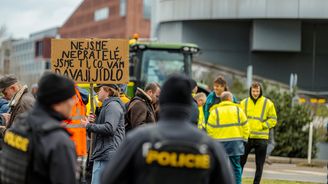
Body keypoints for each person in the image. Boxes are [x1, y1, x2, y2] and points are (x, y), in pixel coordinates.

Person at [101, 74, 235, 184]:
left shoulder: (138, 140)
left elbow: (109, 178)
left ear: (162, 102)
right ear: (190, 105)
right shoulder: (209, 146)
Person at [0, 72, 77, 184]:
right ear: (58, 102)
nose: (74, 102)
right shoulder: (58, 141)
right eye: (71, 98)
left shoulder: (21, 124)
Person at [81, 84, 125, 184]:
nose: (97, 92)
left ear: (107, 91)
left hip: (106, 154)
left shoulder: (113, 106)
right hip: (105, 153)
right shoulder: (109, 105)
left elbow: (109, 128)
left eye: (99, 89)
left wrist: (88, 125)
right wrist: (94, 122)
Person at [206, 91, 249, 184]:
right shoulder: (238, 110)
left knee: (220, 167)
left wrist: (213, 142)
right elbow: (246, 127)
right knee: (236, 167)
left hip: (220, 144)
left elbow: (209, 129)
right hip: (236, 144)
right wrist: (244, 140)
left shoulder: (215, 111)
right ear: (230, 99)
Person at [240, 82, 277, 184]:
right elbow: (239, 118)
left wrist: (262, 125)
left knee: (259, 165)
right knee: (241, 162)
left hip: (261, 138)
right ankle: (237, 181)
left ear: (260, 91)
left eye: (257, 91)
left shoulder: (268, 103)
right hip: (247, 137)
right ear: (250, 91)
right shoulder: (244, 103)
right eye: (253, 91)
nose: (255, 93)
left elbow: (273, 119)